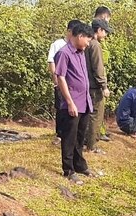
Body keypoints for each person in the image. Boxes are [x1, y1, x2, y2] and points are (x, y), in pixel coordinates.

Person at [54, 23, 94, 180]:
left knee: (80, 136)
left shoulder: (81, 53)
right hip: (72, 102)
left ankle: (80, 165)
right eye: (88, 40)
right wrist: (70, 102)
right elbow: (60, 77)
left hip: (84, 102)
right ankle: (68, 170)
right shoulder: (64, 53)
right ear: (80, 36)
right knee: (69, 137)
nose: (88, 43)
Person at [47, 19, 83, 136]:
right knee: (60, 108)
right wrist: (56, 80)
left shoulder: (77, 46)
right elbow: (51, 62)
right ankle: (59, 133)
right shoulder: (58, 44)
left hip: (72, 85)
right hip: (60, 82)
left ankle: (70, 133)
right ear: (68, 31)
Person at [84, 18, 112, 155]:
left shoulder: (87, 43)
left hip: (87, 85)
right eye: (105, 32)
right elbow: (98, 69)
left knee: (87, 115)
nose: (106, 35)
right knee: (96, 116)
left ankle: (85, 142)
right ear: (99, 30)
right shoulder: (95, 45)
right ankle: (92, 145)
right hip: (95, 88)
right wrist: (104, 86)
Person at [92, 5, 112, 142]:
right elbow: (98, 65)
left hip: (97, 80)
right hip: (95, 83)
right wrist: (104, 85)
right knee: (95, 113)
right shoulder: (94, 43)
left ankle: (99, 133)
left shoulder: (96, 41)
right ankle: (92, 142)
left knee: (97, 112)